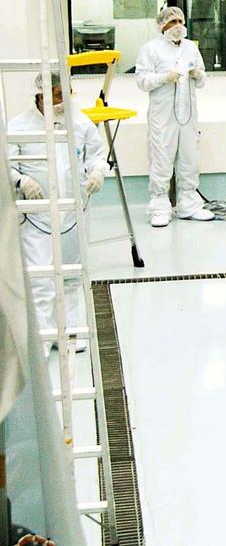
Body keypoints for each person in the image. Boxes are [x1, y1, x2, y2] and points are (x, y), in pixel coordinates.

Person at [6, 72, 109, 350]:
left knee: (72, 275)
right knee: (41, 278)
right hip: (36, 217)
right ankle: (44, 338)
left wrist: (98, 172)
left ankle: (70, 332)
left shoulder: (79, 122)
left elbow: (98, 155)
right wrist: (22, 181)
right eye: (57, 95)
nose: (64, 101)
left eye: (67, 93)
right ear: (40, 95)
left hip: (74, 212)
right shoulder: (19, 126)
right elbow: (6, 165)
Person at [134, 6, 214, 227]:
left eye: (180, 21)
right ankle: (159, 206)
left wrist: (198, 75)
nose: (178, 26)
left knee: (189, 157)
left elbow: (202, 79)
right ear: (162, 26)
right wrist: (163, 78)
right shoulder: (151, 49)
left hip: (188, 114)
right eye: (172, 22)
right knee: (162, 157)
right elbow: (141, 80)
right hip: (163, 116)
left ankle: (189, 203)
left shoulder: (190, 48)